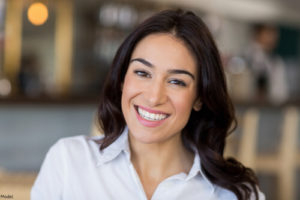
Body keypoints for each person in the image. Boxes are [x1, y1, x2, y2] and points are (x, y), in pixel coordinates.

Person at [31, 9, 265, 200]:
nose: (154, 97)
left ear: (199, 97)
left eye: (176, 81)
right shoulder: (68, 161)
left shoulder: (236, 193)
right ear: (123, 79)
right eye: (142, 73)